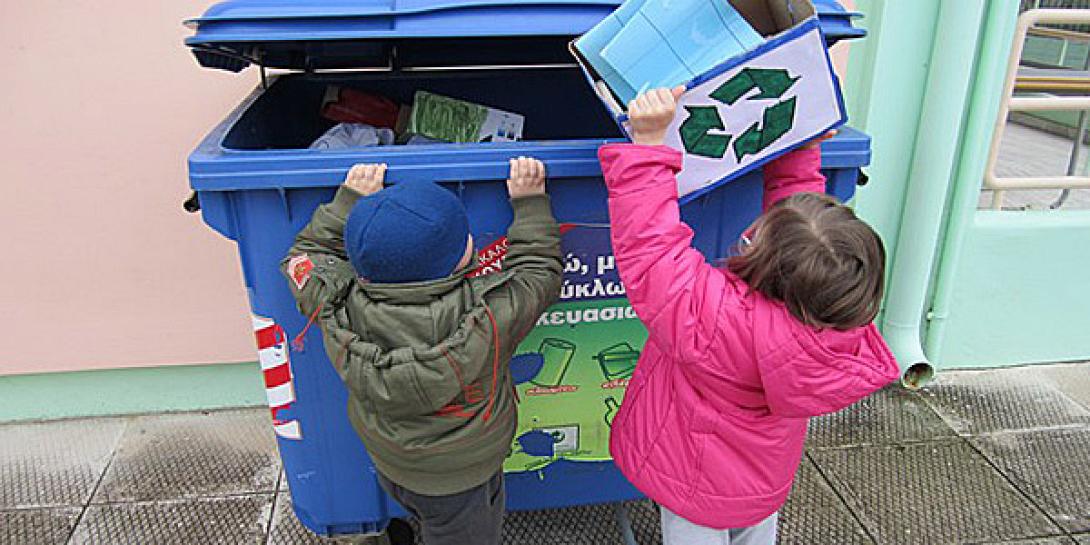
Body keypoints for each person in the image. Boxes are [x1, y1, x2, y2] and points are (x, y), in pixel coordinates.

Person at [601, 87, 900, 545]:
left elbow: (652, 249)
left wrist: (648, 146)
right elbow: (805, 230)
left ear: (764, 259)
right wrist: (799, 145)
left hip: (695, 486)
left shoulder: (716, 320)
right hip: (762, 482)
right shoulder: (838, 324)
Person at [281, 158, 562, 545]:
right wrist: (530, 202)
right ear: (459, 261)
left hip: (390, 458)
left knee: (419, 507)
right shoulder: (488, 316)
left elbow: (303, 254)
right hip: (465, 474)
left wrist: (347, 203)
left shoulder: (333, 301)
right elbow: (539, 273)